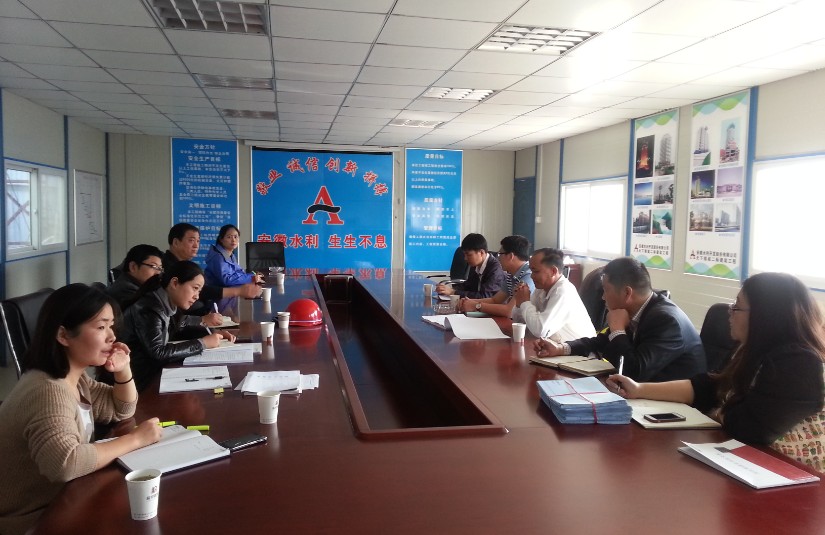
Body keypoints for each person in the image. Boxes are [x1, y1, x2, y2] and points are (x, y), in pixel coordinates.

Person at [607, 272, 825, 470]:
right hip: (750, 465)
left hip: (793, 477)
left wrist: (721, 410)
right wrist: (639, 389)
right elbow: (712, 387)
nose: (729, 312)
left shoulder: (799, 362)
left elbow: (751, 429)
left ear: (764, 316)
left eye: (737, 306)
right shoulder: (751, 349)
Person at [0, 284, 162, 535]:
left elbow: (121, 409)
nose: (111, 336)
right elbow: (66, 463)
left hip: (66, 502)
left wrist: (123, 369)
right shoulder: (47, 389)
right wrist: (136, 439)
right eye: (101, 327)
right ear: (63, 335)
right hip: (33, 521)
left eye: (111, 326)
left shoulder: (75, 378)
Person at [534, 256, 705, 382]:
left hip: (678, 408)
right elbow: (599, 342)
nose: (603, 297)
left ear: (627, 293)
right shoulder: (635, 310)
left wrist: (618, 331)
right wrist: (560, 348)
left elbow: (634, 372)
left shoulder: (666, 321)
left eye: (605, 290)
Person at [119, 260, 235, 391]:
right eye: (195, 288)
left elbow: (182, 322)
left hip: (151, 375)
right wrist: (203, 343)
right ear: (174, 283)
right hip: (138, 383)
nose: (197, 296)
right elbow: (158, 352)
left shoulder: (164, 302)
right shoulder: (148, 308)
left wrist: (213, 333)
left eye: (199, 291)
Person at [162, 223, 261, 310]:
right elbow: (205, 291)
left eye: (198, 241)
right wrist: (239, 290)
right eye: (191, 241)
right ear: (176, 242)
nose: (196, 246)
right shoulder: (166, 267)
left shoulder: (185, 264)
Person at [511, 247, 595, 341]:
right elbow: (522, 324)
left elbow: (541, 331)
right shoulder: (541, 289)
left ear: (553, 271)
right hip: (554, 346)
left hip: (578, 349)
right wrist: (519, 303)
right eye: (531, 271)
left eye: (536, 271)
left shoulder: (563, 291)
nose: (531, 276)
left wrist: (525, 302)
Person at [459, 235, 535, 317]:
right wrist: (469, 302)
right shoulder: (511, 275)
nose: (498, 258)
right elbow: (495, 300)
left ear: (511, 256)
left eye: (500, 254)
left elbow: (509, 311)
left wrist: (476, 306)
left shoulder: (528, 276)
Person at [436, 233, 505, 299]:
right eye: (464, 255)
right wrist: (447, 290)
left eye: (469, 255)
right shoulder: (475, 265)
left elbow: (484, 296)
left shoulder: (495, 270)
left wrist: (453, 292)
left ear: (481, 252)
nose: (465, 258)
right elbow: (468, 286)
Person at [107, 243, 164, 309]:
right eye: (153, 266)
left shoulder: (137, 287)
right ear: (133, 267)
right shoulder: (127, 292)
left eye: (160, 268)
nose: (158, 273)